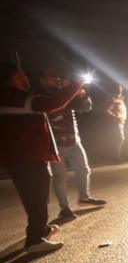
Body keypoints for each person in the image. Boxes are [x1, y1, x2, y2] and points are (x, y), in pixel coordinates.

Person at [1, 63, 83, 253]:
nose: (25, 79)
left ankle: (41, 230)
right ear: (7, 79)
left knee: (35, 196)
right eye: (19, 77)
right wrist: (76, 84)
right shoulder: (16, 98)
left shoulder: (11, 97)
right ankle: (35, 240)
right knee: (35, 198)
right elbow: (52, 104)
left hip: (21, 156)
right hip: (27, 156)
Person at [39, 68, 106, 220]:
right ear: (42, 81)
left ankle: (84, 198)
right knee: (60, 176)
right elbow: (52, 108)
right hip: (54, 143)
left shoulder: (65, 93)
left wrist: (82, 94)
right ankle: (64, 208)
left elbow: (86, 107)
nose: (56, 79)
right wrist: (69, 91)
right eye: (51, 76)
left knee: (83, 169)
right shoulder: (40, 96)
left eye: (57, 76)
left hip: (73, 138)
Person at [106, 84, 127, 160]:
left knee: (120, 139)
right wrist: (115, 117)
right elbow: (108, 110)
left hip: (122, 121)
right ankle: (116, 157)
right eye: (118, 88)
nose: (120, 90)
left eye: (120, 88)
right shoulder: (114, 99)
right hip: (117, 122)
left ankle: (117, 156)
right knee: (119, 138)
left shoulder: (121, 98)